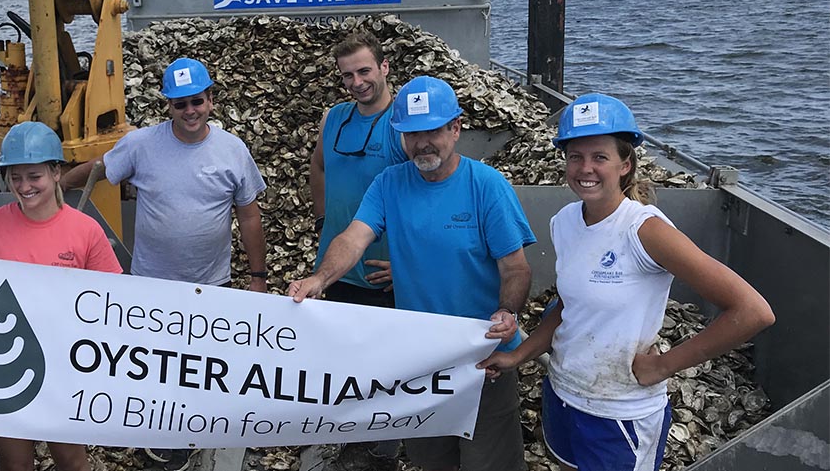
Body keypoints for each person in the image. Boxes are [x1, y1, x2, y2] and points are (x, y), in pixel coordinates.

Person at [477, 94, 775, 471]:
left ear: (625, 163)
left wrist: (665, 365)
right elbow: (569, 308)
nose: (586, 168)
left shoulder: (645, 229)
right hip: (563, 395)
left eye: (600, 156)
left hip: (620, 415)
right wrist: (518, 356)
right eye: (575, 156)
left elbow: (753, 311)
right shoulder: (565, 221)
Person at [289, 75, 535, 471]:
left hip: (483, 356)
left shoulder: (486, 186)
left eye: (433, 130)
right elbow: (353, 238)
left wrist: (508, 312)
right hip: (422, 359)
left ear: (455, 128)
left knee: (489, 462)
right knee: (431, 458)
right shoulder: (389, 183)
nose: (422, 143)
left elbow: (516, 268)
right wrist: (320, 279)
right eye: (411, 133)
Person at [0, 121, 122, 471]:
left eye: (33, 175)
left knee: (72, 461)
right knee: (16, 465)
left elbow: (114, 300)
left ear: (55, 172)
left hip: (64, 368)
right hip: (4, 367)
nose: (24, 186)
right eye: (15, 177)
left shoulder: (85, 230)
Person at [61, 57, 268, 293]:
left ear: (210, 101)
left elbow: (249, 217)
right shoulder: (140, 145)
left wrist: (258, 277)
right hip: (150, 282)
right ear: (169, 106)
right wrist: (62, 184)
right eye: (180, 104)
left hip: (213, 285)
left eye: (196, 101)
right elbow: (99, 168)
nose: (190, 111)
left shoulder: (234, 149)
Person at [310, 30, 408, 309]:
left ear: (384, 67)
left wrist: (410, 263)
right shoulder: (333, 118)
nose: (357, 82)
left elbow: (432, 195)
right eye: (347, 75)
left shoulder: (403, 127)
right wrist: (322, 220)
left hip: (383, 277)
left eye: (365, 71)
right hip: (336, 270)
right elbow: (318, 167)